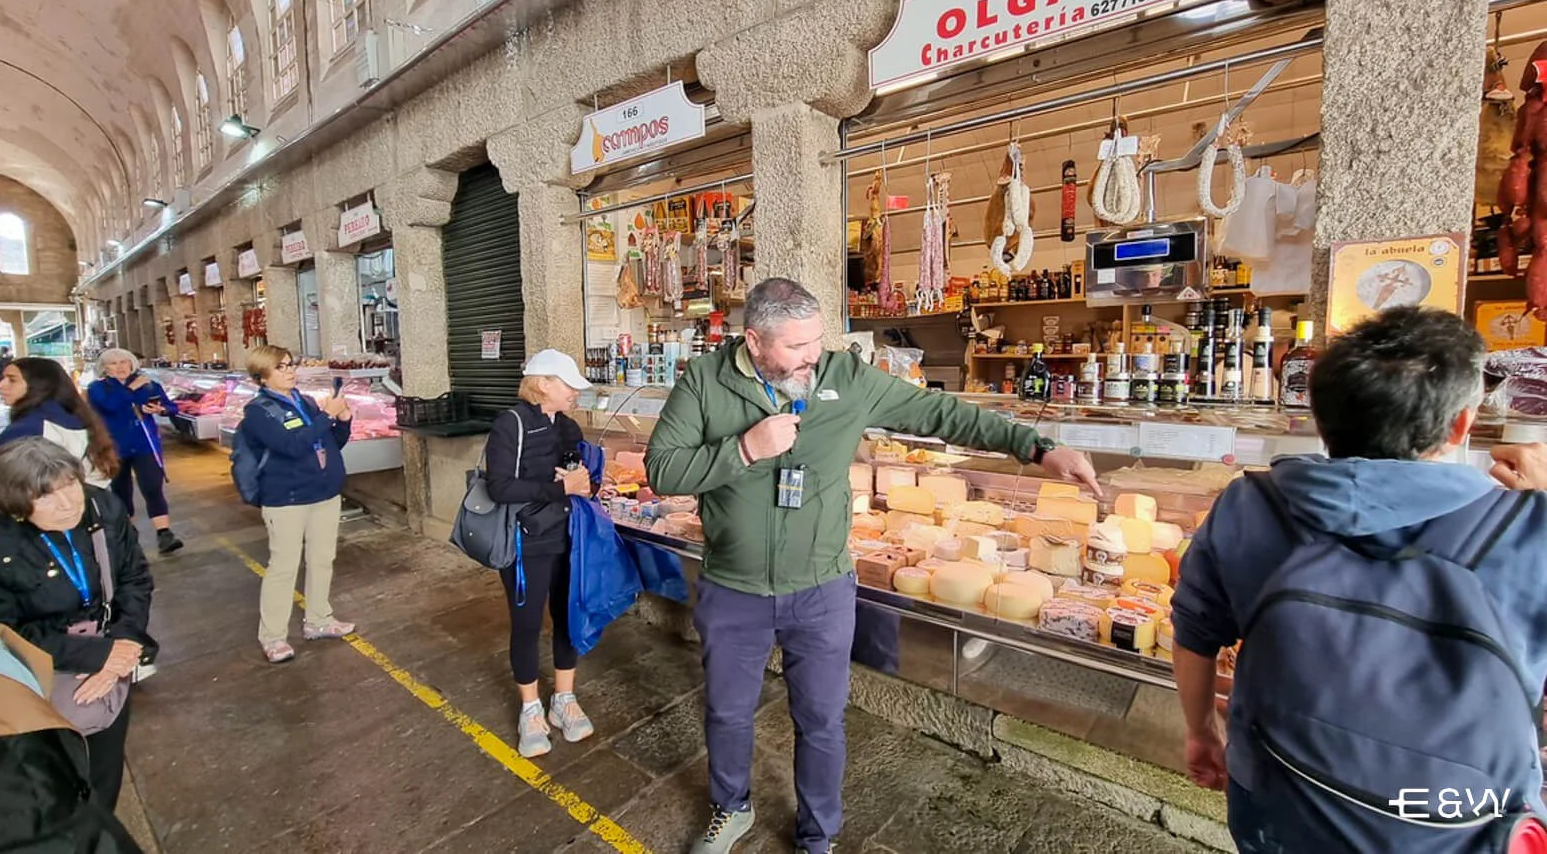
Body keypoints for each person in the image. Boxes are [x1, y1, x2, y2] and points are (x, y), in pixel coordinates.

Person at [645, 277, 1101, 854]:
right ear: (754, 340)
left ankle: (819, 835)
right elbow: (664, 470)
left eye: (816, 341)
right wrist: (744, 450)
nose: (812, 355)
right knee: (728, 713)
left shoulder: (845, 377)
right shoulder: (706, 382)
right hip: (735, 588)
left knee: (822, 721)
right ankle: (731, 808)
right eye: (796, 346)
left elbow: (940, 413)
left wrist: (1037, 447)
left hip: (822, 590)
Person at [1172, 306, 1547, 853]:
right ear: (1460, 424)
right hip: (1459, 821)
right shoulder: (1528, 528)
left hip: (1279, 796)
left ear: (1321, 419)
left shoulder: (1251, 503)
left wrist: (1202, 731)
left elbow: (1194, 633)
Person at [0, 393, 145, 852]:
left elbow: (134, 577)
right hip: (52, 669)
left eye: (70, 485)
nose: (67, 503)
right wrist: (99, 656)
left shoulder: (100, 508)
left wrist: (125, 644)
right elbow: (0, 626)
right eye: (45, 496)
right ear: (15, 507)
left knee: (103, 769)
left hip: (116, 651)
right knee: (67, 771)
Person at [483, 349, 597, 758]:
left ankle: (563, 700)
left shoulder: (566, 427)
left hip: (568, 536)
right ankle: (530, 708)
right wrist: (557, 488)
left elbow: (580, 475)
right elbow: (499, 488)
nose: (575, 394)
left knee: (568, 618)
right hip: (524, 542)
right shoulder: (510, 424)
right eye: (569, 386)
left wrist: (585, 483)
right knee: (527, 624)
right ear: (543, 383)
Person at [241, 345, 355, 664]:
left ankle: (318, 619)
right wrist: (327, 415)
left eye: (291, 365)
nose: (290, 371)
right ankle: (273, 636)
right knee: (284, 567)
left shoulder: (303, 401)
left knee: (322, 559)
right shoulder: (259, 412)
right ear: (262, 376)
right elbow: (291, 446)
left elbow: (331, 444)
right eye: (281, 367)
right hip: (287, 499)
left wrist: (343, 420)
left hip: (323, 494)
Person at [88, 348, 184, 553]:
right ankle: (128, 535)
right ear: (104, 368)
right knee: (121, 490)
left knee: (152, 486)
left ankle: (164, 533)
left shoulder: (148, 385)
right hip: (114, 447)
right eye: (114, 363)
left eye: (124, 361)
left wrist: (162, 410)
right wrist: (131, 389)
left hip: (145, 444)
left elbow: (171, 407)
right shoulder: (98, 388)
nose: (120, 367)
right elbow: (111, 406)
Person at [0, 356, 119, 489]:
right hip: (85, 499)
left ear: (39, 384)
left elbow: (2, 482)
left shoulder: (28, 429)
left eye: (12, 380)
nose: (0, 385)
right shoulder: (79, 415)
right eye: (2, 378)